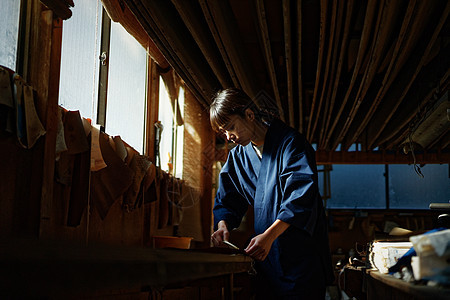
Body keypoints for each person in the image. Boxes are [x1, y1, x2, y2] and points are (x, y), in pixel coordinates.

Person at [209, 88, 334, 299]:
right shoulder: (239, 156)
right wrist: (223, 225)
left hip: (299, 258)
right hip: (266, 262)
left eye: (231, 127)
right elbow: (227, 198)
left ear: (249, 115)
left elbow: (300, 196)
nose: (229, 137)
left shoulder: (290, 143)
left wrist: (270, 236)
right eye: (223, 133)